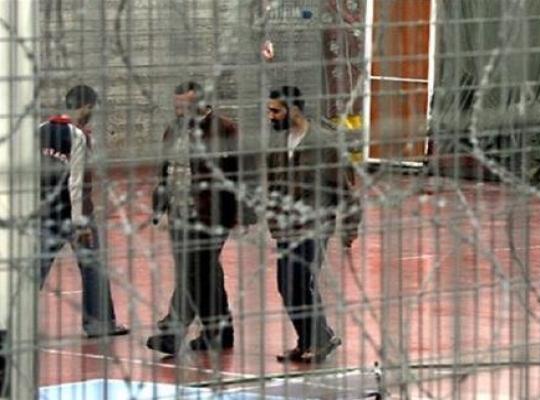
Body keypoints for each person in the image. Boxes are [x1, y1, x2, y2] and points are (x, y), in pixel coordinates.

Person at [147, 81, 256, 355]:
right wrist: (160, 206)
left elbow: (244, 172)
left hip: (212, 215)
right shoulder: (173, 130)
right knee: (205, 273)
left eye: (186, 105)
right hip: (179, 213)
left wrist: (245, 213)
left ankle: (174, 329)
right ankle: (219, 332)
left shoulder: (226, 130)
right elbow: (166, 169)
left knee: (193, 271)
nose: (181, 110)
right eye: (177, 106)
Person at [266, 86, 360, 363]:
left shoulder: (325, 144)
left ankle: (320, 339)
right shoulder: (279, 144)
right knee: (286, 285)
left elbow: (346, 190)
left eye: (275, 110)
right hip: (286, 226)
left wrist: (349, 228)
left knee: (301, 282)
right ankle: (308, 338)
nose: (270, 116)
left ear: (293, 110)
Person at [38, 84, 129, 338]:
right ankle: (99, 323)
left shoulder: (40, 131)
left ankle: (11, 320)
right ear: (87, 106)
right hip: (74, 213)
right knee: (93, 267)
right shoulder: (78, 136)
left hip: (45, 212)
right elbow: (75, 181)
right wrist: (79, 223)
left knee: (35, 268)